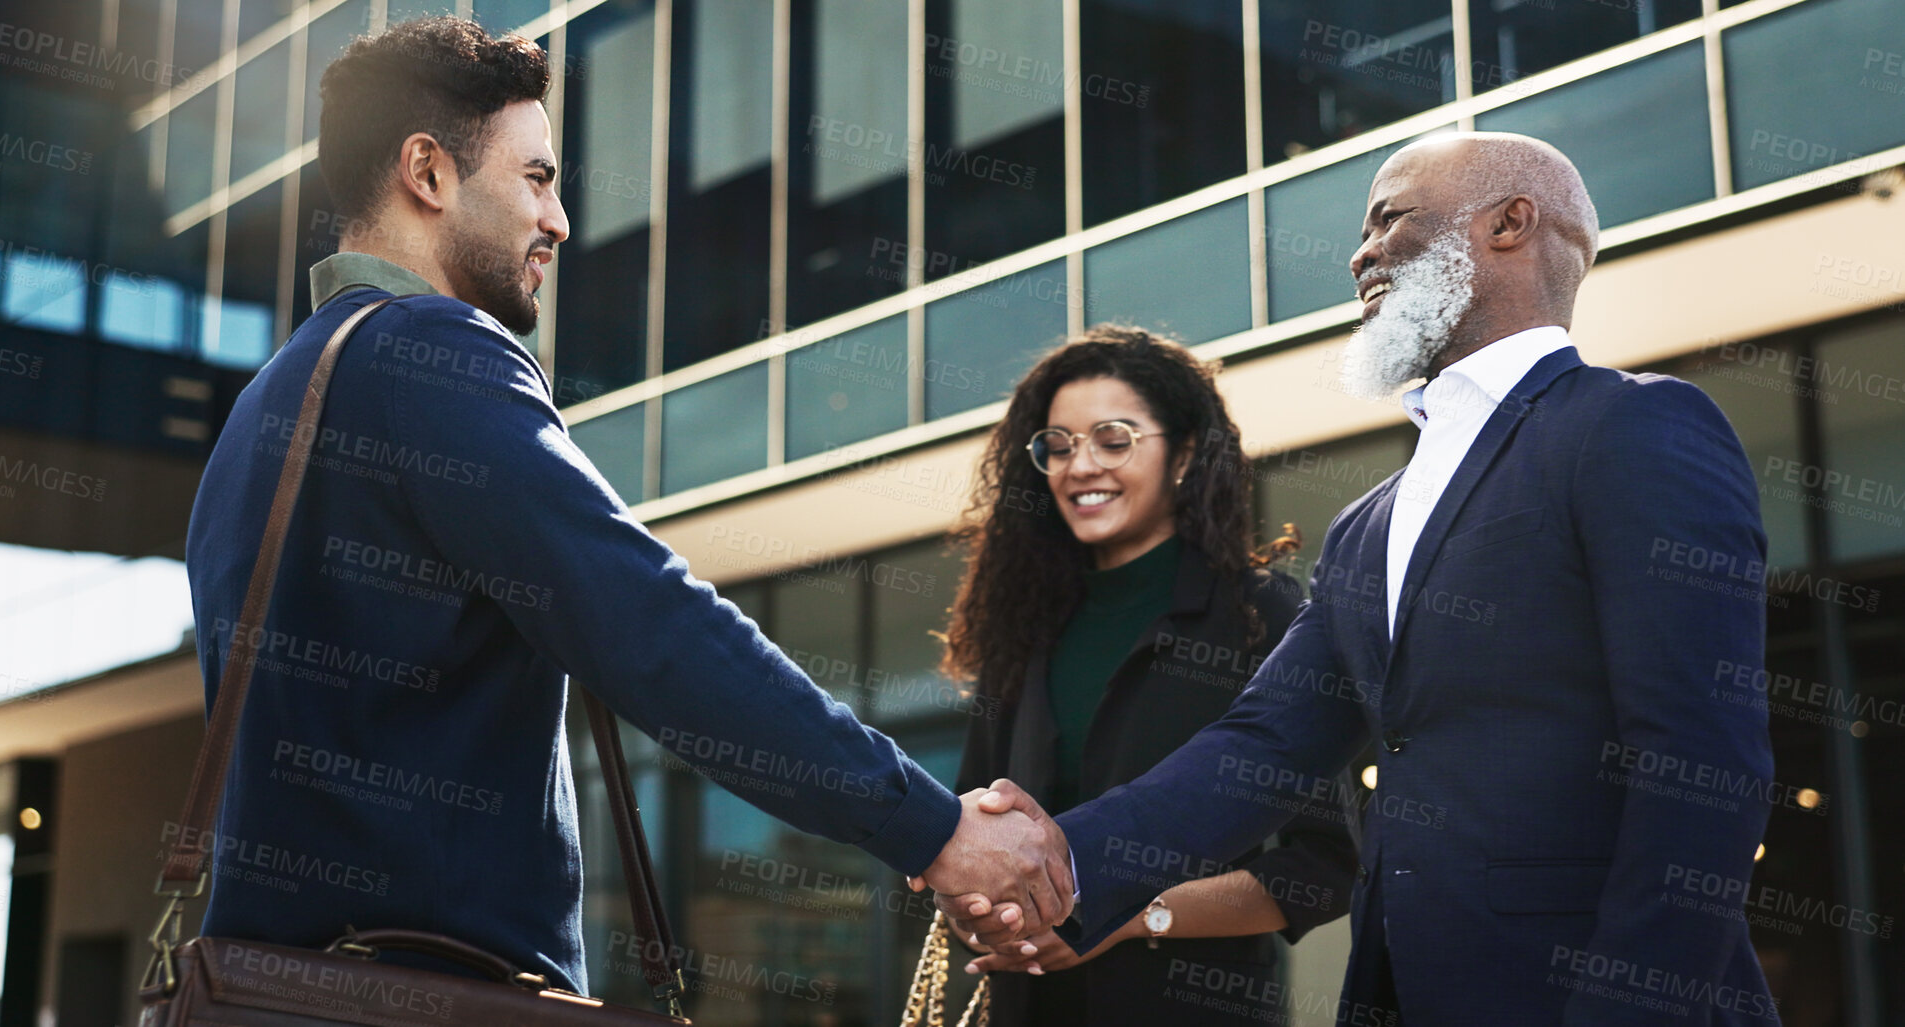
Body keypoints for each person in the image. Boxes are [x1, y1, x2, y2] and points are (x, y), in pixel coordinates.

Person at [183, 17, 1066, 997]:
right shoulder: (431, 356)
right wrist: (931, 826)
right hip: (432, 996)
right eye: (537, 178)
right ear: (427, 174)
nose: (559, 220)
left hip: (278, 992)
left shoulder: (269, 407)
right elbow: (650, 623)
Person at [943, 133, 1781, 1025]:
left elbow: (1701, 766)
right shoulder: (1365, 525)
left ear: (1509, 222)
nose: (1360, 252)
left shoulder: (1634, 427)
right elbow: (1261, 748)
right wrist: (1058, 852)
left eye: (1391, 218)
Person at [938, 326, 1357, 1025]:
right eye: (1059, 446)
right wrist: (970, 900)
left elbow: (1325, 866)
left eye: (1112, 438)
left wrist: (1135, 917)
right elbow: (970, 821)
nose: (1079, 467)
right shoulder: (1025, 627)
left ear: (1185, 453)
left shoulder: (1260, 613)